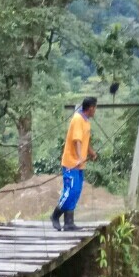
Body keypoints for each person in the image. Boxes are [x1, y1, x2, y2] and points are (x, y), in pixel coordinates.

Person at [50, 96, 98, 232]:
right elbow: (77, 140)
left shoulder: (87, 122)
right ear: (91, 108)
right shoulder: (77, 119)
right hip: (71, 163)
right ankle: (55, 215)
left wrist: (92, 153)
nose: (95, 110)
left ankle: (69, 222)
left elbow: (85, 141)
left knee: (76, 191)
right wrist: (79, 157)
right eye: (95, 108)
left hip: (79, 165)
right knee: (69, 191)